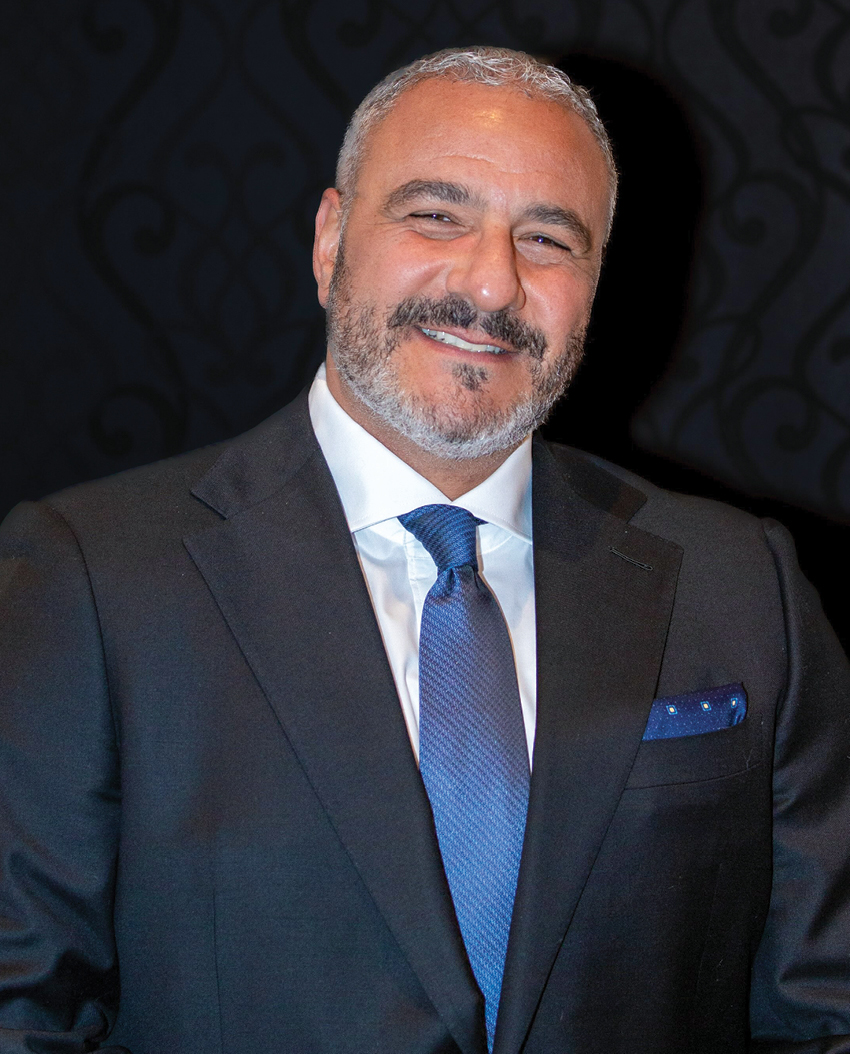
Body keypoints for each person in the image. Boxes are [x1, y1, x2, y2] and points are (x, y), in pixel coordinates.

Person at [0, 45, 848, 1054]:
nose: (490, 285)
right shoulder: (91, 580)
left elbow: (824, 1014)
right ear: (329, 242)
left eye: (547, 238)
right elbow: (24, 1010)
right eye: (435, 216)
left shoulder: (739, 583)